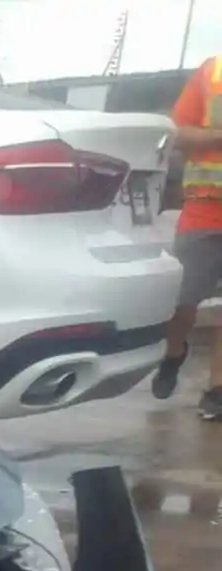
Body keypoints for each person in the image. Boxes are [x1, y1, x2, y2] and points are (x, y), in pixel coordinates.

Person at [153, 56, 222, 416]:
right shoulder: (214, 71)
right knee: (183, 302)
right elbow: (178, 132)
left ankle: (217, 390)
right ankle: (174, 351)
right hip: (205, 207)